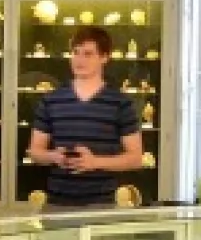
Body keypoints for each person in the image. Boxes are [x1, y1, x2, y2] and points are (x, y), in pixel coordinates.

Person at [26, 26, 143, 207]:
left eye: (88, 54)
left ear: (104, 57)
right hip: (57, 203)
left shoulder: (120, 103)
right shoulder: (51, 100)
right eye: (75, 52)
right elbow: (35, 152)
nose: (79, 60)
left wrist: (94, 162)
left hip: (102, 205)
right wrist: (54, 157)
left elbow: (135, 158)